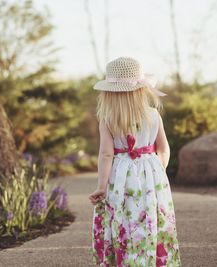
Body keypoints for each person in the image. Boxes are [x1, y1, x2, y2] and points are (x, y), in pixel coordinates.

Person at [89, 57, 181, 266]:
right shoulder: (154, 115)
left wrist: (102, 186)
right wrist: (159, 171)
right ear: (141, 90)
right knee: (152, 217)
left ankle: (125, 259)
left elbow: (106, 155)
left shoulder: (108, 118)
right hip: (151, 174)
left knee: (124, 218)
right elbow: (163, 148)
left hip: (121, 175)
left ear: (109, 93)